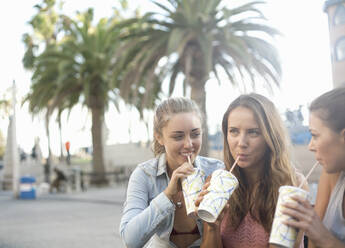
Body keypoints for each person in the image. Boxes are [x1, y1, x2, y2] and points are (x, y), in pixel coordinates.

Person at [196, 93, 307, 248]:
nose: (241, 143)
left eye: (253, 132)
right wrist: (212, 226)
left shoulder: (294, 184)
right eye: (234, 131)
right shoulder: (217, 181)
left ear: (271, 136)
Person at [119, 97, 224, 248]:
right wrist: (167, 195)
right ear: (159, 137)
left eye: (195, 134)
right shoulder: (145, 175)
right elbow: (130, 240)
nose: (189, 144)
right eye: (178, 136)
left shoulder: (215, 171)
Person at [282, 88, 345, 247]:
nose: (310, 146)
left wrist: (323, 237)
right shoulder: (332, 173)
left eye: (315, 135)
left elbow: (319, 236)